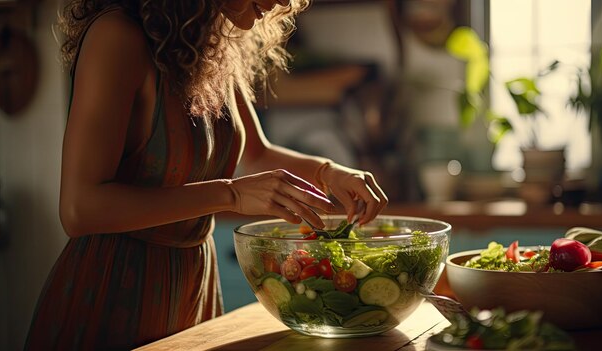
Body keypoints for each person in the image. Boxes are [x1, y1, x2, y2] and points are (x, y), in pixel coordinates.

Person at [25, 0, 387, 349]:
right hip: (112, 287)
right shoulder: (117, 36)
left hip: (191, 283)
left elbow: (256, 155)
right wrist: (230, 194)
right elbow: (79, 209)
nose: (284, 1)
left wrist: (329, 172)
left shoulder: (211, 45)